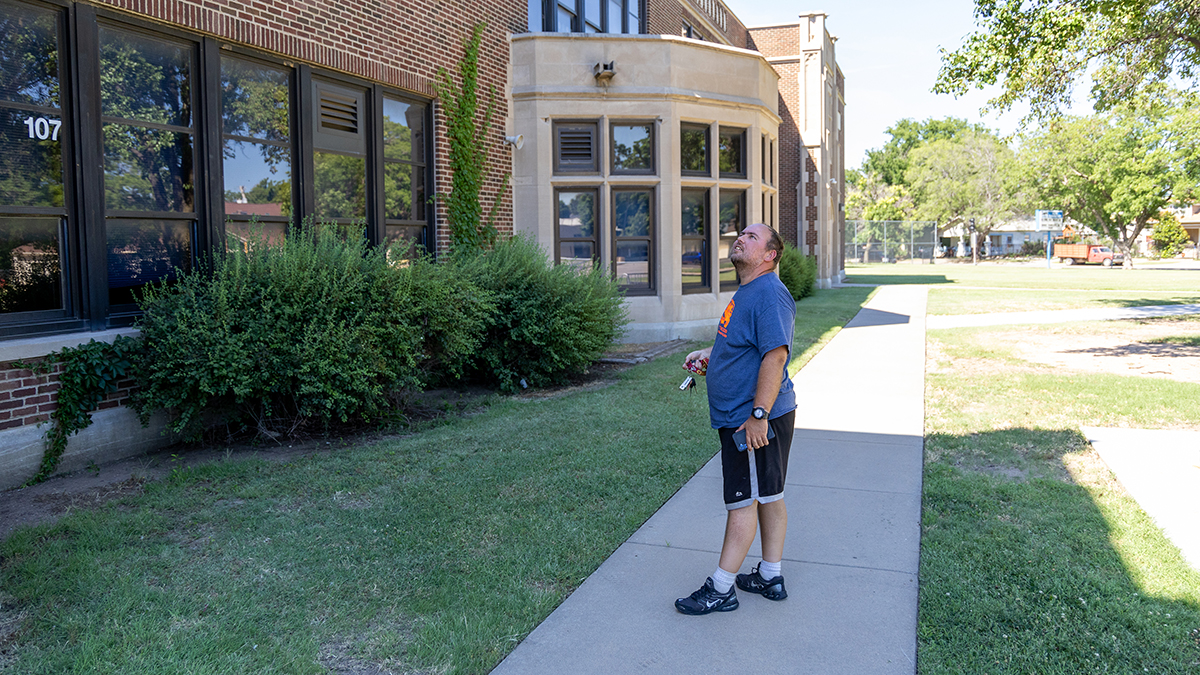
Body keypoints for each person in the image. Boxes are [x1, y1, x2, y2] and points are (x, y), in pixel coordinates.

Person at [675, 223, 797, 615]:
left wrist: (758, 415)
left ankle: (721, 587)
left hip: (752, 420)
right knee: (768, 495)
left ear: (769, 255)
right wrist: (713, 356)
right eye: (740, 233)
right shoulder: (749, 292)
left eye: (752, 237)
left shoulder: (768, 293)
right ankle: (770, 574)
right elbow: (746, 344)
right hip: (751, 416)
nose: (740, 238)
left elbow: (775, 355)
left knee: (742, 501)